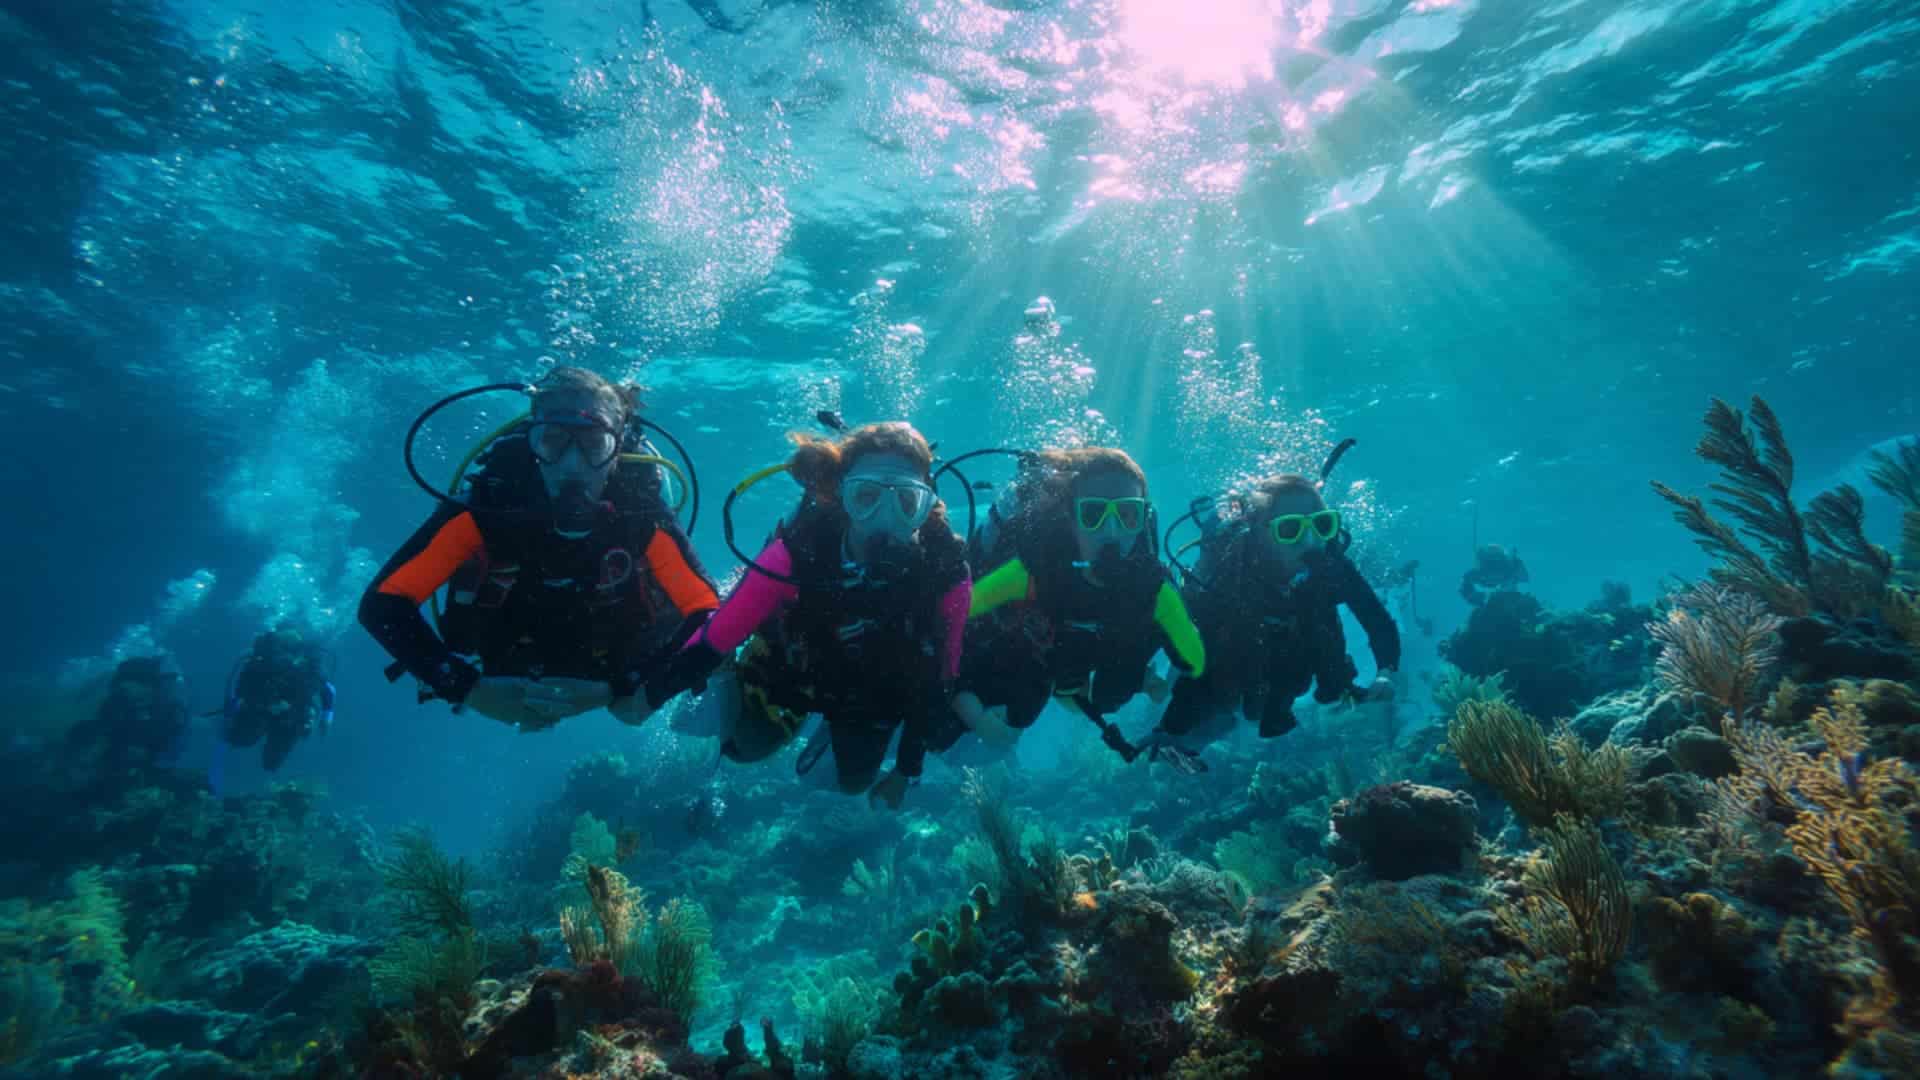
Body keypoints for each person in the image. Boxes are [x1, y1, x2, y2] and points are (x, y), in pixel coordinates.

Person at [360, 366, 719, 729]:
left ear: (616, 452)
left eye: (594, 444)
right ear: (532, 444)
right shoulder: (491, 506)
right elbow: (383, 605)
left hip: (613, 667)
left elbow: (709, 614)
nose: (572, 465)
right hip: (505, 667)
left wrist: (634, 689)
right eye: (553, 441)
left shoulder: (639, 513)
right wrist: (469, 688)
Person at [645, 422, 970, 808]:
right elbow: (716, 636)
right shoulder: (799, 551)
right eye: (866, 496)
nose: (885, 518)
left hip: (870, 688)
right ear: (841, 494)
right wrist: (648, 696)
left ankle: (825, 732)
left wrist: (905, 771)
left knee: (851, 784)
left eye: (906, 502)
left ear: (926, 505)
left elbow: (939, 676)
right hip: (796, 668)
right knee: (740, 749)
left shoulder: (945, 571)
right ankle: (733, 674)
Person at [946, 447, 1205, 752]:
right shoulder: (1036, 569)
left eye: (1127, 514)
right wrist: (975, 714)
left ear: (1142, 519)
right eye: (1093, 514)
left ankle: (1089, 684)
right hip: (1037, 656)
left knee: (1113, 695)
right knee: (1017, 710)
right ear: (1070, 517)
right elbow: (955, 619)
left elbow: (1195, 659)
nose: (1112, 531)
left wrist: (1158, 677)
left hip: (1093, 659)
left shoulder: (1153, 587)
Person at [1153, 473, 1399, 743]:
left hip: (1284, 644)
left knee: (1271, 704)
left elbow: (1376, 618)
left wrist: (1386, 672)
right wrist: (1172, 720)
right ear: (1259, 532)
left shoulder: (1332, 565)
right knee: (1217, 693)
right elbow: (1197, 639)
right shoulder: (1233, 569)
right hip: (1226, 638)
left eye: (1322, 525)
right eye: (1290, 529)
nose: (1309, 542)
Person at [219, 626, 335, 771]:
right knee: (237, 739)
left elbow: (328, 690)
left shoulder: (311, 665)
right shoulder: (261, 657)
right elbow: (240, 687)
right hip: (260, 708)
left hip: (292, 716)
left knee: (271, 763)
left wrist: (326, 716)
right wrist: (263, 705)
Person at [64, 655, 190, 777]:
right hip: (114, 765)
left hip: (149, 769)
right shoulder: (116, 704)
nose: (122, 689)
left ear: (147, 684)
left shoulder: (170, 710)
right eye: (121, 686)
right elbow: (101, 728)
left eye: (126, 684)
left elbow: (172, 743)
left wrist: (148, 755)